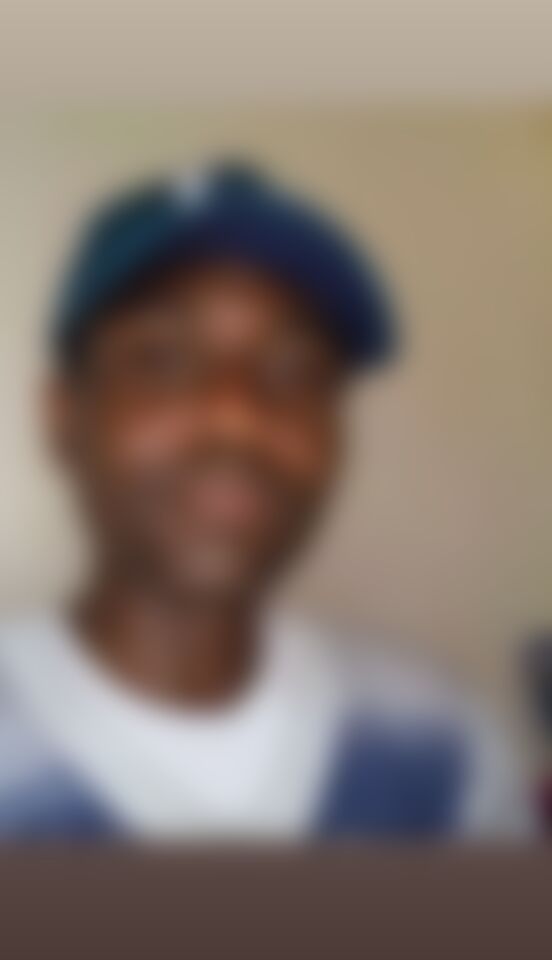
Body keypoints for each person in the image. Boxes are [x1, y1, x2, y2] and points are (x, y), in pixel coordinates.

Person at [0, 163, 529, 838]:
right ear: (62, 416)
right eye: (162, 359)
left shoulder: (443, 747)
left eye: (294, 370)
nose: (237, 417)